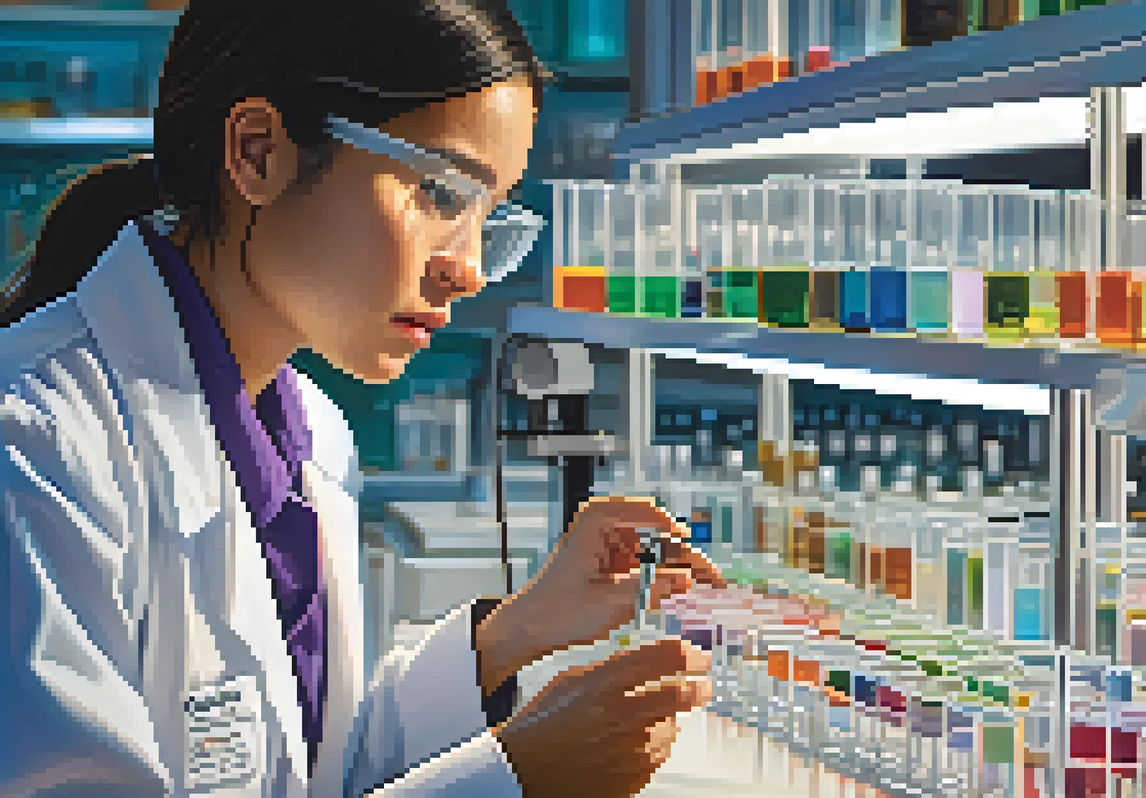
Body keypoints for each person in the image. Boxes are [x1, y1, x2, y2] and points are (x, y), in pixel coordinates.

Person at [0, 2, 722, 797]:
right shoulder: (34, 442)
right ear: (259, 153)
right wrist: (514, 782)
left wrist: (518, 631)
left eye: (492, 215)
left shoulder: (311, 431)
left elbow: (317, 766)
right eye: (443, 194)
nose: (470, 268)